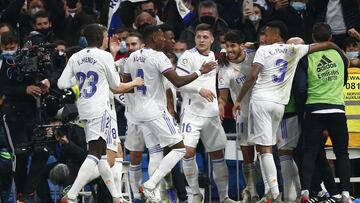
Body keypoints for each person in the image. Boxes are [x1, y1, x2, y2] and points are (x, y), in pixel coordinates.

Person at [232, 20, 341, 201]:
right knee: (285, 152)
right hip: (280, 105)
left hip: (261, 101)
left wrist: (238, 99)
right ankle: (291, 196)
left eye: (266, 34)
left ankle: (274, 193)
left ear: (276, 35)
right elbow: (326, 44)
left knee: (265, 148)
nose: (264, 38)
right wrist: (340, 51)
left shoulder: (264, 50)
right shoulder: (295, 50)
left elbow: (252, 75)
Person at [122, 25, 216, 202]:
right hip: (155, 111)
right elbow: (178, 82)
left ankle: (155, 196)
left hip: (136, 114)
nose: (164, 40)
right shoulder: (159, 56)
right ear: (153, 38)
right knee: (180, 149)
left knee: (156, 152)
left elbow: (127, 86)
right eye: (161, 37)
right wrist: (200, 71)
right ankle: (151, 184)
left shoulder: (132, 57)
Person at [57, 23, 144, 203]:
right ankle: (72, 195)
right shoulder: (104, 56)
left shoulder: (75, 57)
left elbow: (61, 84)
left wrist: (83, 78)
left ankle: (117, 197)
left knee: (103, 155)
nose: (107, 38)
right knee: (95, 154)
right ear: (100, 37)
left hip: (84, 109)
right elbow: (116, 87)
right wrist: (135, 82)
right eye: (105, 35)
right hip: (101, 109)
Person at [176, 24, 238, 203]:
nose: (201, 40)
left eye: (205, 37)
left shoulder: (218, 57)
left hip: (211, 114)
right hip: (191, 113)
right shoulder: (188, 57)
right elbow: (179, 82)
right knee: (187, 152)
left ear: (212, 39)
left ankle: (224, 197)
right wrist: (198, 89)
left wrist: (221, 103)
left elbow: (226, 77)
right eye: (198, 37)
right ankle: (195, 194)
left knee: (218, 155)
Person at [294, 22, 352, 203]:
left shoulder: (306, 57)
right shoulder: (341, 56)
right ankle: (345, 194)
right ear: (330, 38)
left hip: (314, 109)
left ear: (312, 37)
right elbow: (343, 80)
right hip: (336, 108)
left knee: (309, 151)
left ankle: (305, 192)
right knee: (342, 152)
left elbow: (301, 88)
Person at [217, 30, 259, 202]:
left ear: (242, 45)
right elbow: (223, 94)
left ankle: (273, 191)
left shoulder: (254, 54)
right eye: (226, 47)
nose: (229, 50)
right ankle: (252, 190)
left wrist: (252, 44)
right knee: (247, 153)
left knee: (266, 152)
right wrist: (220, 106)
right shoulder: (224, 65)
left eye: (233, 46)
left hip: (261, 109)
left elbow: (265, 44)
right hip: (242, 113)